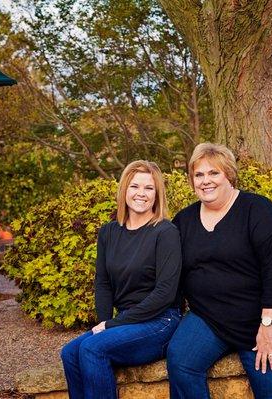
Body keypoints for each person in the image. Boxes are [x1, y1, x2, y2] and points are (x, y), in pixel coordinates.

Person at [167, 143, 272, 399]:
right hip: (211, 317)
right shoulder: (183, 221)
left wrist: (268, 325)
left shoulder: (259, 211)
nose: (205, 181)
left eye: (214, 173)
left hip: (270, 319)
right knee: (181, 362)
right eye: (198, 175)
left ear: (229, 175)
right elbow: (171, 275)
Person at [60, 160, 182, 399]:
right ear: (124, 189)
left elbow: (165, 293)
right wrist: (106, 323)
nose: (141, 194)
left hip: (161, 321)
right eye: (134, 186)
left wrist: (111, 327)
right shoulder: (109, 232)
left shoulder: (165, 232)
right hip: (127, 319)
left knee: (93, 349)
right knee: (70, 353)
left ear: (157, 195)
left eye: (149, 188)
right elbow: (103, 283)